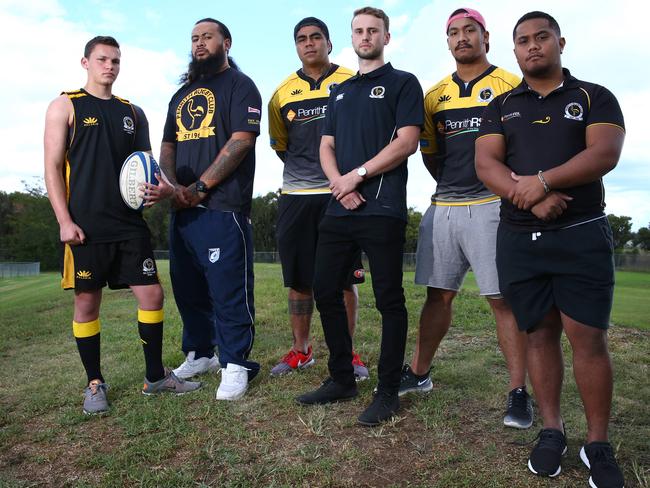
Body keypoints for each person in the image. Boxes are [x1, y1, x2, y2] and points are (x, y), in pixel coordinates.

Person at [475, 11, 625, 487]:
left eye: (542, 37)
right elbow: (487, 163)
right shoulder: (501, 104)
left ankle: (596, 444)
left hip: (581, 233)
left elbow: (603, 154)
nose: (533, 46)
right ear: (513, 50)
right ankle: (552, 431)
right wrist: (530, 198)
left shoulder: (593, 96)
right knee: (539, 335)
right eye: (523, 40)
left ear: (560, 42)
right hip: (520, 238)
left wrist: (541, 182)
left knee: (587, 338)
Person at [43, 36, 201, 415]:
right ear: (85, 63)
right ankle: (94, 382)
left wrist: (162, 187)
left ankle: (155, 377)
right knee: (86, 303)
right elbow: (50, 167)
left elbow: (145, 165)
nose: (109, 66)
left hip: (129, 223)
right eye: (102, 59)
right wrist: (64, 221)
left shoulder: (134, 112)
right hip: (85, 226)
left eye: (115, 60)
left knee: (152, 297)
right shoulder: (65, 105)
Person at [401, 7, 532, 429]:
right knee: (437, 295)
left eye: (469, 31)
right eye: (454, 32)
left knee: (502, 300)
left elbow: (526, 145)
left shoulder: (511, 85)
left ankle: (518, 392)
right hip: (445, 206)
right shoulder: (434, 95)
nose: (462, 38)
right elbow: (431, 154)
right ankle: (419, 374)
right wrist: (454, 187)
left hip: (494, 206)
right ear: (448, 41)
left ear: (485, 36)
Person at [296, 7, 423, 427]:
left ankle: (387, 391)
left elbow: (406, 143)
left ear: (386, 36)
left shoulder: (403, 83)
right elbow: (325, 146)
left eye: (373, 30)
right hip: (339, 207)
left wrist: (358, 176)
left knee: (389, 299)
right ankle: (341, 378)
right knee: (325, 288)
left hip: (381, 208)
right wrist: (339, 184)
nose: (365, 36)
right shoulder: (341, 90)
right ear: (351, 38)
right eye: (359, 31)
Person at [150, 18, 262, 401]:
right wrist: (170, 186)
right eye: (194, 38)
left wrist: (200, 187)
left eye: (207, 37)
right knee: (188, 288)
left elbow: (242, 140)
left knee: (228, 289)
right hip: (182, 208)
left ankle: (235, 363)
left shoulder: (241, 86)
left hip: (222, 206)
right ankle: (200, 354)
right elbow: (167, 144)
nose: (199, 43)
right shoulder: (182, 94)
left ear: (226, 42)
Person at [268, 17, 368, 381]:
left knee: (344, 280)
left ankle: (348, 352)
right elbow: (282, 146)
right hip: (296, 196)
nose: (309, 44)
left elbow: (361, 135)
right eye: (301, 39)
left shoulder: (351, 82)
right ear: (296, 46)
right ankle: (302, 350)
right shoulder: (281, 92)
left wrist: (343, 179)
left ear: (329, 42)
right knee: (299, 280)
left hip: (340, 194)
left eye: (315, 38)